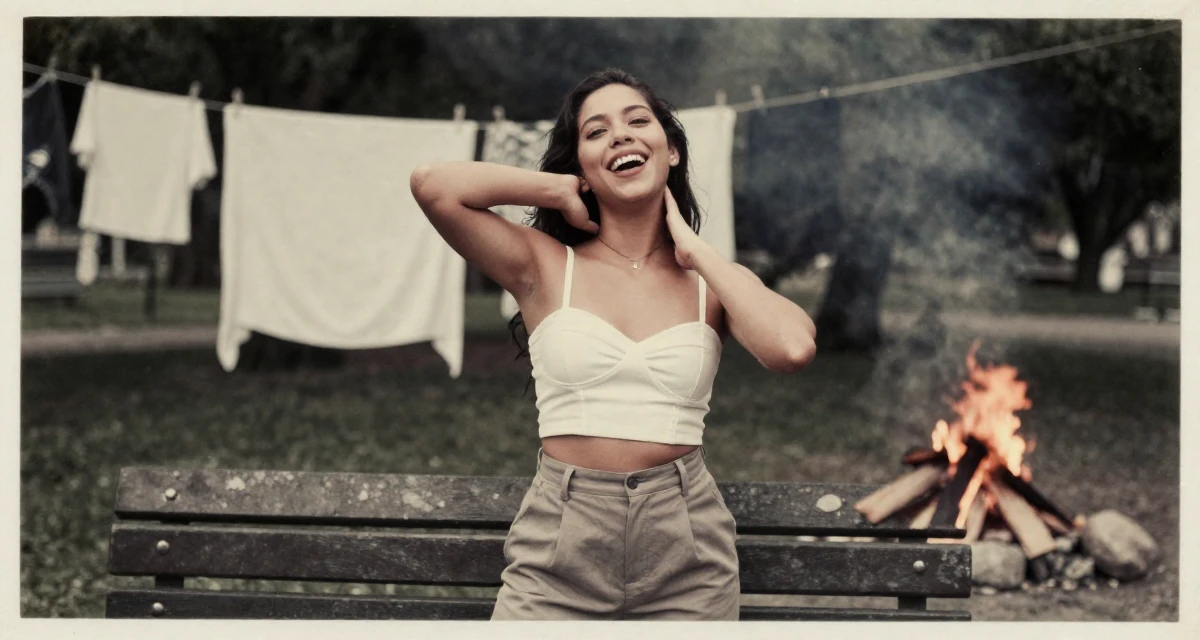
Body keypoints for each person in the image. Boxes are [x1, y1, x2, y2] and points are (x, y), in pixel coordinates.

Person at [409, 69, 817, 621]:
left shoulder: (709, 283)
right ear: (581, 165)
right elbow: (433, 184)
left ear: (670, 151)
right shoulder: (544, 266)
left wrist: (698, 253)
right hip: (559, 552)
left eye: (637, 121)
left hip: (688, 557)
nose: (620, 136)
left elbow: (792, 348)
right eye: (595, 132)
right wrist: (556, 188)